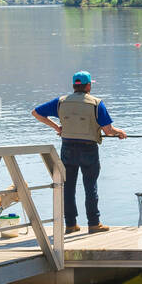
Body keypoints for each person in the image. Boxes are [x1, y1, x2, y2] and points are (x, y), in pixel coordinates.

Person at [31, 70, 126, 234]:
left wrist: (57, 127)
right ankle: (94, 224)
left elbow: (36, 113)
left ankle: (70, 225)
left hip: (68, 148)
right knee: (90, 187)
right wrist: (120, 132)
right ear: (88, 86)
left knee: (68, 188)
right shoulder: (96, 103)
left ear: (74, 86)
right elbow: (108, 130)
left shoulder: (61, 102)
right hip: (88, 149)